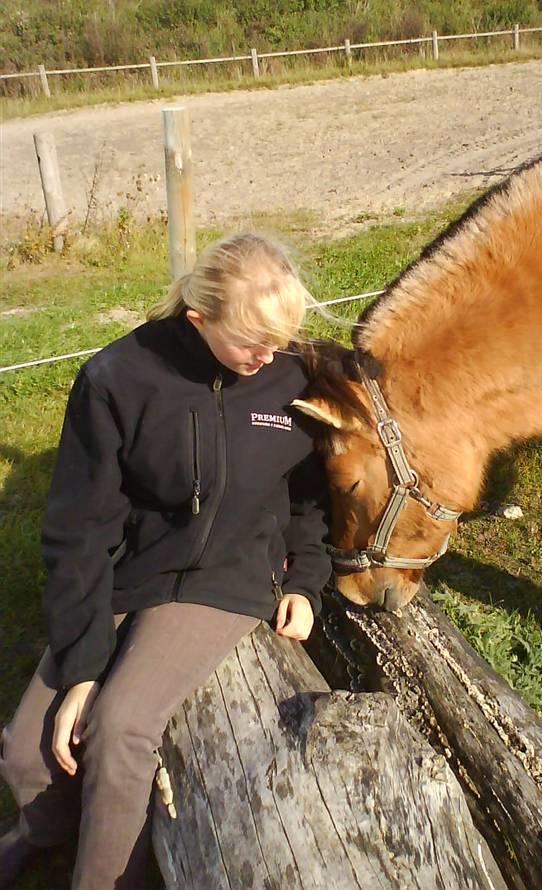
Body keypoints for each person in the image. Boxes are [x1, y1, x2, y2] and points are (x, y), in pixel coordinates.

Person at [0, 233, 332, 889]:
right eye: (253, 341)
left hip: (228, 576)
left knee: (121, 729)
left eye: (280, 339)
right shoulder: (116, 379)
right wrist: (82, 668)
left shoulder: (290, 373)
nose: (269, 357)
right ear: (198, 319)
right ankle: (44, 833)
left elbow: (309, 497)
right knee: (27, 754)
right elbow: (79, 532)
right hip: (132, 568)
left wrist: (307, 579)